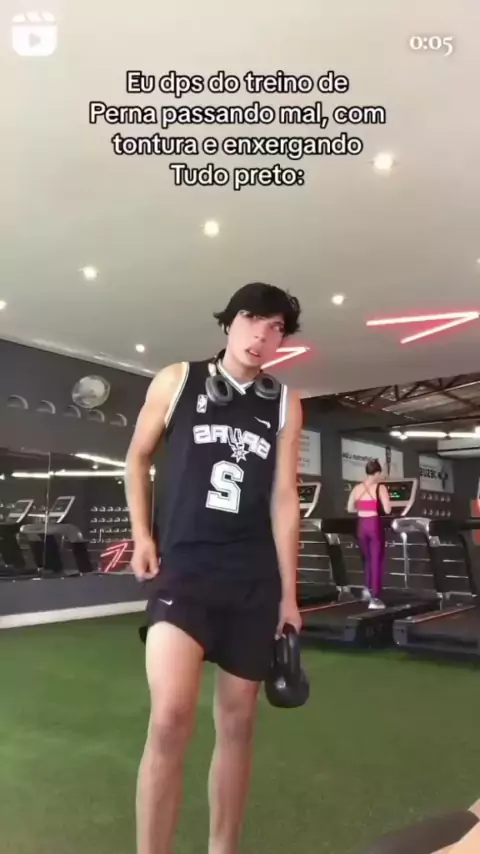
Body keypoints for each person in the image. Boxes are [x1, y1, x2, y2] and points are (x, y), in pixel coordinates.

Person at [125, 281, 303, 854]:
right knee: (170, 717)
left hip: (252, 579)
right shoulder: (177, 380)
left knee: (238, 724)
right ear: (229, 322)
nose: (263, 335)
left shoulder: (284, 402)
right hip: (185, 571)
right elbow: (137, 458)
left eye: (277, 328)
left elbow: (283, 499)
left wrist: (289, 595)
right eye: (253, 319)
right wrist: (142, 534)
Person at [347, 458, 391, 609]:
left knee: (367, 558)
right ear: (377, 473)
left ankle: (366, 589)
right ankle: (375, 598)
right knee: (376, 560)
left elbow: (350, 508)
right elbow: (388, 510)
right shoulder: (380, 488)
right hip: (373, 525)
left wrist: (362, 508)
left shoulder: (357, 488)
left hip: (361, 525)